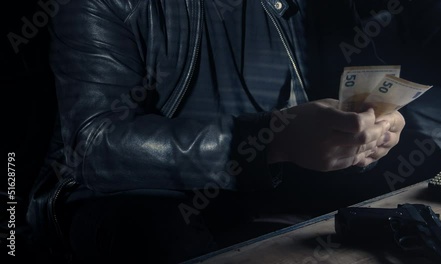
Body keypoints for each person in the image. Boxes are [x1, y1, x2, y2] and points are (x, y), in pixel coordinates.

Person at [26, 1, 413, 263]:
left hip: (274, 177)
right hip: (136, 196)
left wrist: (368, 134)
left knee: (424, 173)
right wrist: (270, 139)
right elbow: (95, 147)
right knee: (154, 233)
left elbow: (341, 93)